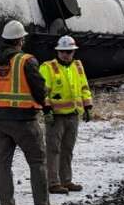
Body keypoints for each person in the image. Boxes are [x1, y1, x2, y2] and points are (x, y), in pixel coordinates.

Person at [0, 19, 57, 205]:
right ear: (19, 40)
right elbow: (39, 89)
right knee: (37, 161)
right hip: (25, 120)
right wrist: (45, 106)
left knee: (2, 163)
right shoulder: (26, 60)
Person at [39, 35, 92, 194]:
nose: (66, 54)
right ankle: (53, 183)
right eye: (63, 51)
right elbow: (43, 92)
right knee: (53, 150)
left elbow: (84, 87)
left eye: (69, 51)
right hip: (55, 116)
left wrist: (88, 106)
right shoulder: (48, 67)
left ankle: (66, 180)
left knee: (67, 149)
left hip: (73, 114)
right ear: (58, 51)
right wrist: (47, 110)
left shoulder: (78, 66)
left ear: (73, 52)